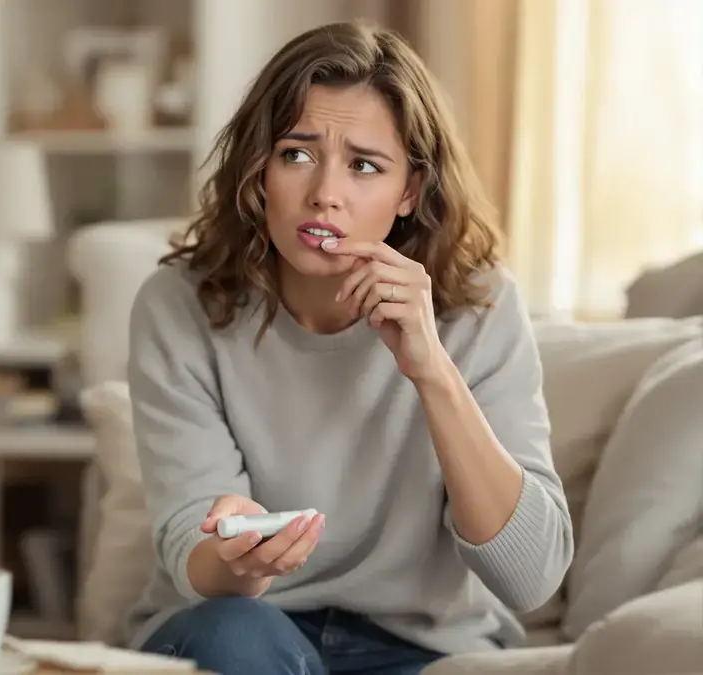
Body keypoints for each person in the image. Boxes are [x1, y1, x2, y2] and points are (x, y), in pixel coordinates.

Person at [124, 21, 574, 675]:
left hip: (424, 649)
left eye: (364, 165)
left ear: (410, 191)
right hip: (240, 630)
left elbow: (531, 575)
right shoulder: (178, 305)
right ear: (259, 167)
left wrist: (433, 372)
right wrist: (239, 559)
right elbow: (191, 543)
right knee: (234, 633)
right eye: (297, 154)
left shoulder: (478, 305)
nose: (324, 193)